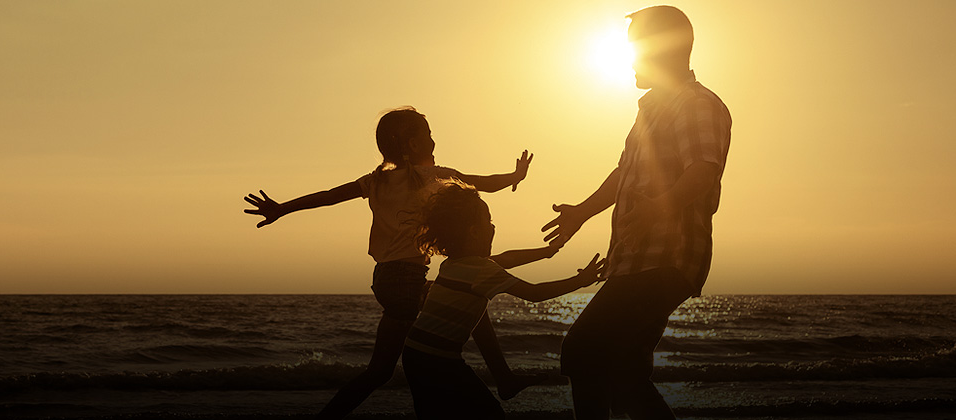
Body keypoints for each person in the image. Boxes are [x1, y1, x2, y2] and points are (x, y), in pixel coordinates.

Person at [243, 107, 555, 419]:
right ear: (413, 144)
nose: (433, 140)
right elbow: (481, 183)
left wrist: (283, 208)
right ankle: (503, 378)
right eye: (428, 134)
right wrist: (516, 176)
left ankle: (503, 378)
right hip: (407, 281)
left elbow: (328, 196)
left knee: (384, 368)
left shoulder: (375, 181)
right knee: (464, 300)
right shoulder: (432, 176)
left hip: (386, 279)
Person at [539, 6, 731, 419]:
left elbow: (703, 171)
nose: (630, 60)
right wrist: (582, 213)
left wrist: (657, 211)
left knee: (583, 351)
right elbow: (623, 172)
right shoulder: (652, 109)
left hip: (665, 258)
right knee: (624, 374)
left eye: (636, 49)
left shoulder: (696, 104)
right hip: (636, 259)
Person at [403, 182, 606, 420]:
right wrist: (580, 280)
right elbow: (535, 293)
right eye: (488, 221)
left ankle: (504, 379)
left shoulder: (454, 264)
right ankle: (505, 380)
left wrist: (547, 251)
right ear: (474, 232)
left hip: (415, 354)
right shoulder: (481, 270)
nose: (493, 226)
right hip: (439, 360)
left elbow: (505, 258)